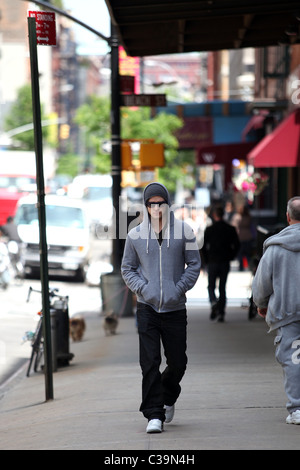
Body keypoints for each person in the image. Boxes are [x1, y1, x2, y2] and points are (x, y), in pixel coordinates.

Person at [121, 182, 201, 434]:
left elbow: (194, 265)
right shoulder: (134, 235)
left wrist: (178, 290)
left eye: (160, 203)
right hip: (147, 308)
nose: (156, 208)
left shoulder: (185, 232)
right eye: (151, 204)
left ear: (168, 204)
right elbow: (127, 268)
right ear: (145, 206)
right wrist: (143, 289)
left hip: (175, 309)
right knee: (150, 362)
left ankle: (167, 397)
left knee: (178, 362)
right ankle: (154, 414)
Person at [252, 196, 300, 425]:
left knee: (293, 359)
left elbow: (262, 282)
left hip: (287, 312)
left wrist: (261, 304)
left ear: (288, 217)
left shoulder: (275, 247)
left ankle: (297, 408)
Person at [202, 205, 240, 322]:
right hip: (225, 261)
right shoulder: (230, 229)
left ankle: (213, 302)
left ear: (214, 215)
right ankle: (221, 312)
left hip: (213, 261)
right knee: (222, 287)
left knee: (211, 286)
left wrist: (206, 261)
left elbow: (203, 247)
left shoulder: (209, 229)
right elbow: (237, 245)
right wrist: (231, 256)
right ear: (223, 215)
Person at [231, 205, 254, 271]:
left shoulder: (237, 217)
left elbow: (233, 226)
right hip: (248, 236)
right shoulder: (248, 217)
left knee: (240, 253)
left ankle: (241, 267)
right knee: (248, 254)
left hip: (240, 237)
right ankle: (250, 267)